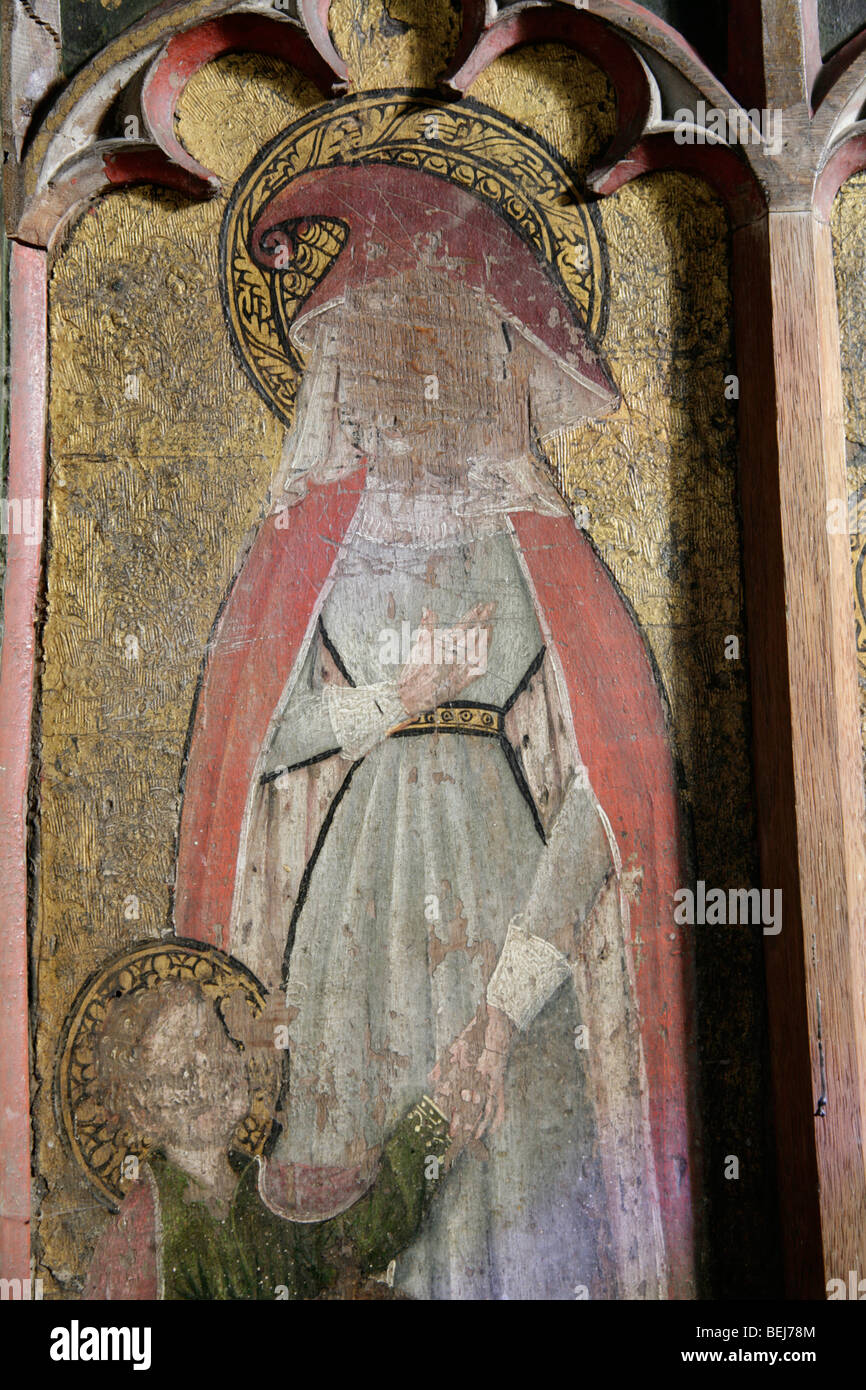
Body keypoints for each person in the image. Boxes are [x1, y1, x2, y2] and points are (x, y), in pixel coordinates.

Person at [176, 164, 693, 1298]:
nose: (408, 380)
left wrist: (503, 1012)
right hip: (352, 924)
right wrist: (388, 699)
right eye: (383, 353)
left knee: (507, 1205)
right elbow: (253, 750)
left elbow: (606, 793)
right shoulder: (309, 546)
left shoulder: (538, 543)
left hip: (512, 915)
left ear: (485, 361)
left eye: (439, 346)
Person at [84, 976, 449, 1300]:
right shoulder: (141, 1239)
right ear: (146, 1114)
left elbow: (371, 1225)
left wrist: (447, 1100)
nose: (214, 1067)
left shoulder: (270, 1190)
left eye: (213, 1040)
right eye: (184, 1069)